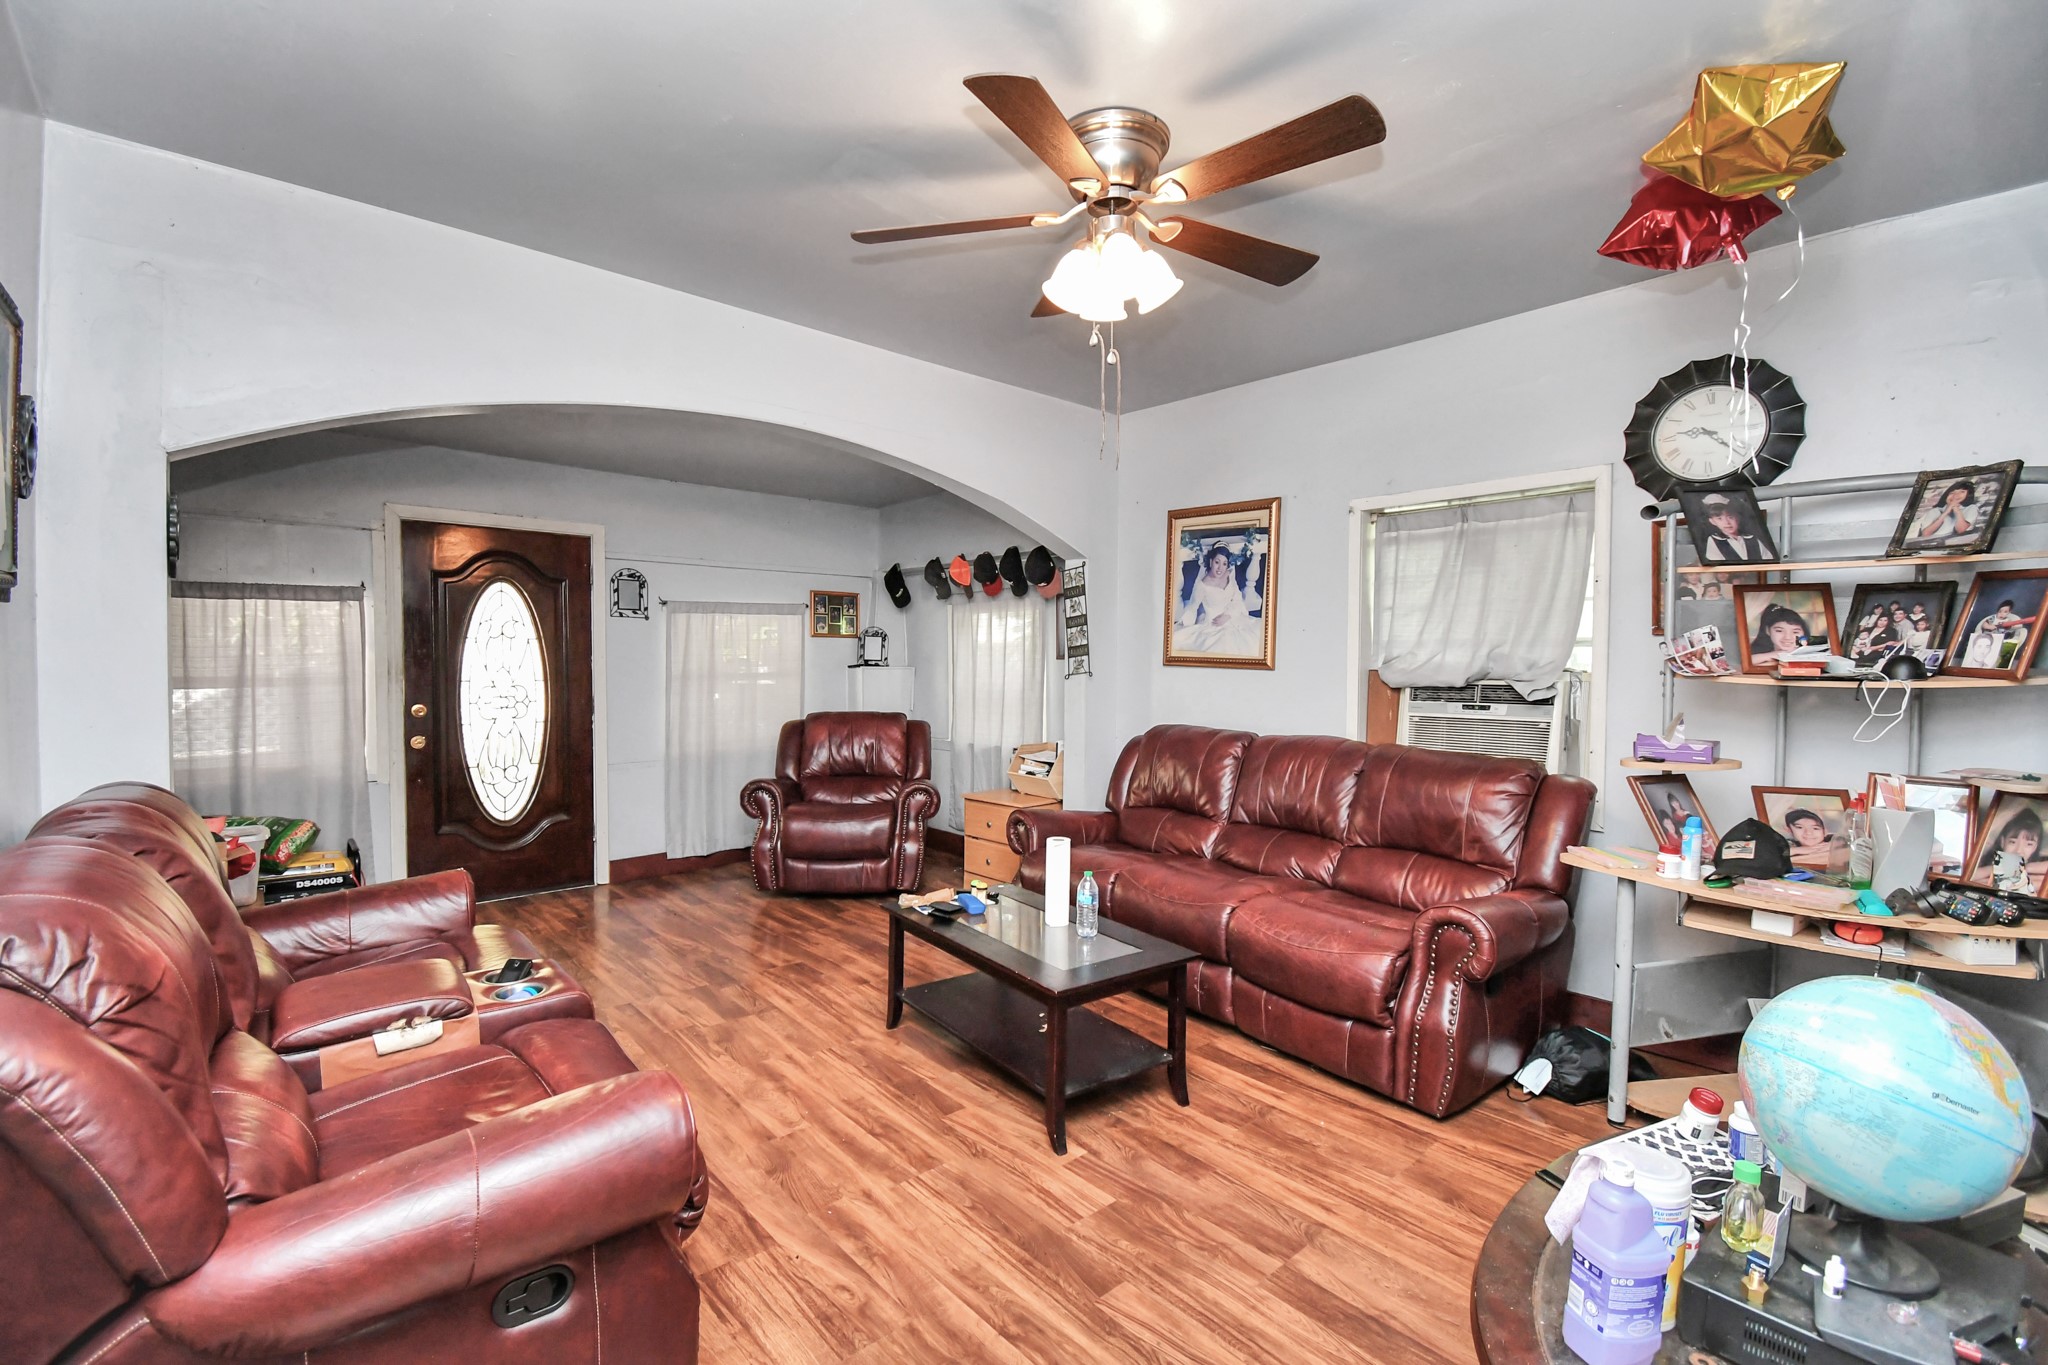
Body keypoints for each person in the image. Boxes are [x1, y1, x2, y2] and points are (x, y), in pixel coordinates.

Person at [1173, 543, 1264, 656]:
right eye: (1217, 562)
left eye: (1224, 564)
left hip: (1233, 617)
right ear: (1211, 562)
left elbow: (1237, 599)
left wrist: (1228, 615)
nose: (1220, 568)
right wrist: (1184, 625)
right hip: (1214, 624)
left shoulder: (1229, 576)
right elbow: (1193, 606)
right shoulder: (1203, 585)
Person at [1973, 806, 2046, 893]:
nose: (2018, 850)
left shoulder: (2038, 871)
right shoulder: (1982, 862)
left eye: (2029, 844)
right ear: (2002, 842)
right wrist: (1998, 868)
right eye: (2012, 842)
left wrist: (2022, 868)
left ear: (2035, 847)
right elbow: (1968, 877)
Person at [1961, 599, 2036, 671]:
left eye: (2005, 612)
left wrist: (2010, 627)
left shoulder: (2009, 620)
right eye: (2000, 611)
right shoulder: (1993, 618)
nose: (2002, 614)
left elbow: (2017, 627)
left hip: (2001, 639)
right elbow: (1984, 624)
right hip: (1988, 636)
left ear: (2009, 612)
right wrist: (1990, 627)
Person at [1700, 494, 1774, 563]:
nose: (1727, 522)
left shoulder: (1752, 539)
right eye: (1719, 518)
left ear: (1738, 518)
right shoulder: (1714, 540)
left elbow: (1768, 560)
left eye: (1730, 517)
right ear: (1712, 521)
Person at [1910, 478, 1978, 545]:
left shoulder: (1971, 508)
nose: (1955, 495)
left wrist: (1956, 510)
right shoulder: (1935, 511)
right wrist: (1946, 512)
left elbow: (1961, 530)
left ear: (1968, 495)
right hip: (1930, 545)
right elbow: (1926, 534)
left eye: (1962, 492)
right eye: (1952, 493)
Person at [1747, 601, 1812, 666]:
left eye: (1795, 632)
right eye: (1779, 631)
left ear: (1803, 632)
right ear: (1767, 630)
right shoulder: (1756, 654)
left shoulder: (1811, 653)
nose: (1787, 637)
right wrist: (1773, 655)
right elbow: (1745, 663)